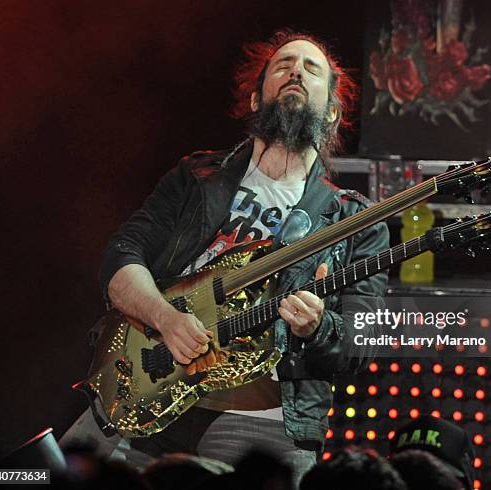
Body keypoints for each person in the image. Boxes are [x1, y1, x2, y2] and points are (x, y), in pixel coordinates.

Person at [60, 29, 389, 486]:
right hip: (151, 379)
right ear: (256, 99)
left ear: (332, 112)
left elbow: (358, 344)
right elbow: (120, 257)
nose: (295, 70)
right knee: (27, 475)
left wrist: (317, 327)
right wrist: (165, 318)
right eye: (283, 65)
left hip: (260, 410)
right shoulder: (195, 176)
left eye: (311, 69)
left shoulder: (354, 220)